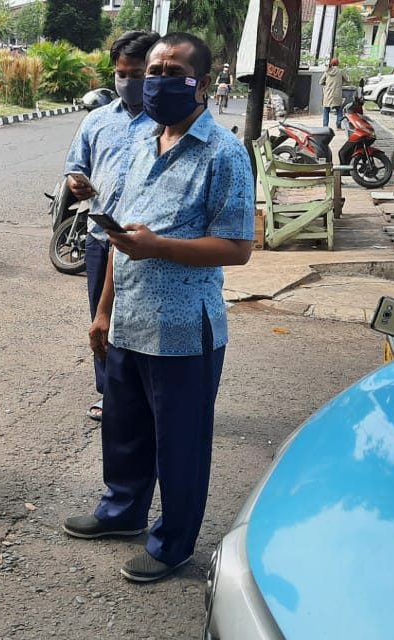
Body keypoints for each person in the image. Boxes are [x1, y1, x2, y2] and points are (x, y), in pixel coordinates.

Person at [62, 32, 255, 583]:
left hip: (183, 331)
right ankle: (121, 511)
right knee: (124, 428)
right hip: (129, 319)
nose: (158, 81)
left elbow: (238, 248)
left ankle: (173, 543)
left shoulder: (224, 155)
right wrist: (103, 312)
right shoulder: (142, 141)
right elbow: (120, 238)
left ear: (204, 84)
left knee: (180, 444)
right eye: (153, 71)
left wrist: (159, 247)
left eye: (173, 72)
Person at [63, 29, 160, 423]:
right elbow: (76, 166)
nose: (127, 82)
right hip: (101, 237)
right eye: (121, 73)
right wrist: (76, 182)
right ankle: (109, 393)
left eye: (136, 74)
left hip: (147, 241)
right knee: (101, 320)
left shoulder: (167, 123)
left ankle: (151, 393)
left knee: (143, 319)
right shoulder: (97, 121)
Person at [320, 57, 344, 129]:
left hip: (328, 94)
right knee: (339, 110)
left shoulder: (327, 71)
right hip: (337, 94)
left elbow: (320, 82)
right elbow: (348, 80)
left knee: (326, 111)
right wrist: (341, 83)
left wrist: (326, 84)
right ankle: (339, 126)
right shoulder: (340, 71)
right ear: (338, 63)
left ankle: (325, 127)